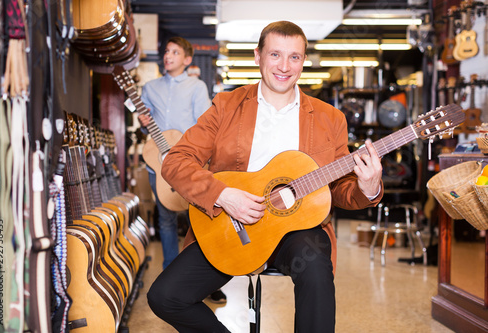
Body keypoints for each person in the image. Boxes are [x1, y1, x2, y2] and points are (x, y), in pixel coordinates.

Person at [147, 21, 383, 332]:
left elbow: (339, 190)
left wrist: (368, 187)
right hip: (230, 225)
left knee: (315, 268)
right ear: (258, 56)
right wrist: (222, 194)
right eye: (275, 54)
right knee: (165, 296)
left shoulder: (330, 119)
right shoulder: (226, 105)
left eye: (295, 57)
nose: (285, 67)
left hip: (299, 229)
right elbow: (176, 161)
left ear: (303, 61)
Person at [139, 36, 226, 304]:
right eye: (166, 51)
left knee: (199, 220)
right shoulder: (149, 87)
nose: (168, 56)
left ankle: (208, 281)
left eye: (175, 52)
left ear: (187, 60)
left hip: (189, 162)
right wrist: (144, 122)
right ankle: (170, 276)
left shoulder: (197, 87)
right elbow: (146, 126)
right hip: (158, 163)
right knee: (165, 220)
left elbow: (204, 124)